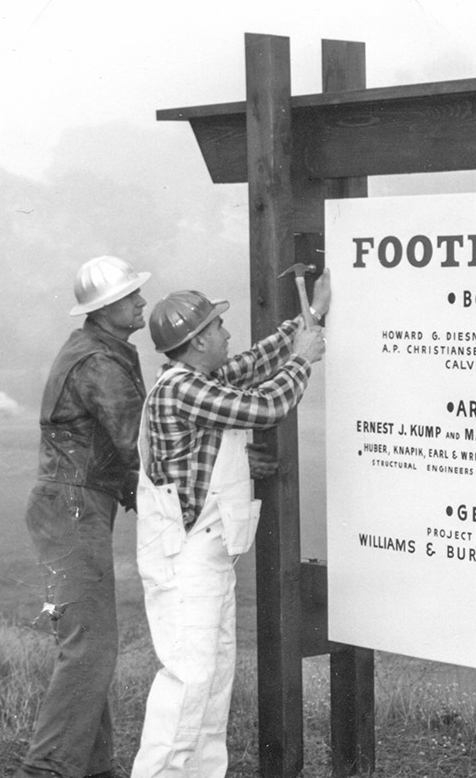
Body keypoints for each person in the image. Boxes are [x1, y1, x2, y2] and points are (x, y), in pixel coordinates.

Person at [130, 272, 330, 778]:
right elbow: (266, 407)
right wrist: (304, 357)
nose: (227, 334)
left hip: (208, 557)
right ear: (197, 342)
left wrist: (310, 317)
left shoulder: (196, 380)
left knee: (212, 688)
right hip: (187, 560)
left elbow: (252, 363)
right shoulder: (182, 390)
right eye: (218, 327)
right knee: (188, 686)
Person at [16, 255, 152, 778]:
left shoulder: (103, 350)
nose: (141, 301)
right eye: (131, 296)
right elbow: (137, 443)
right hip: (72, 506)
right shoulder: (99, 362)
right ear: (104, 309)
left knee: (90, 643)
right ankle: (48, 769)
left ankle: (92, 768)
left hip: (71, 504)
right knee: (90, 645)